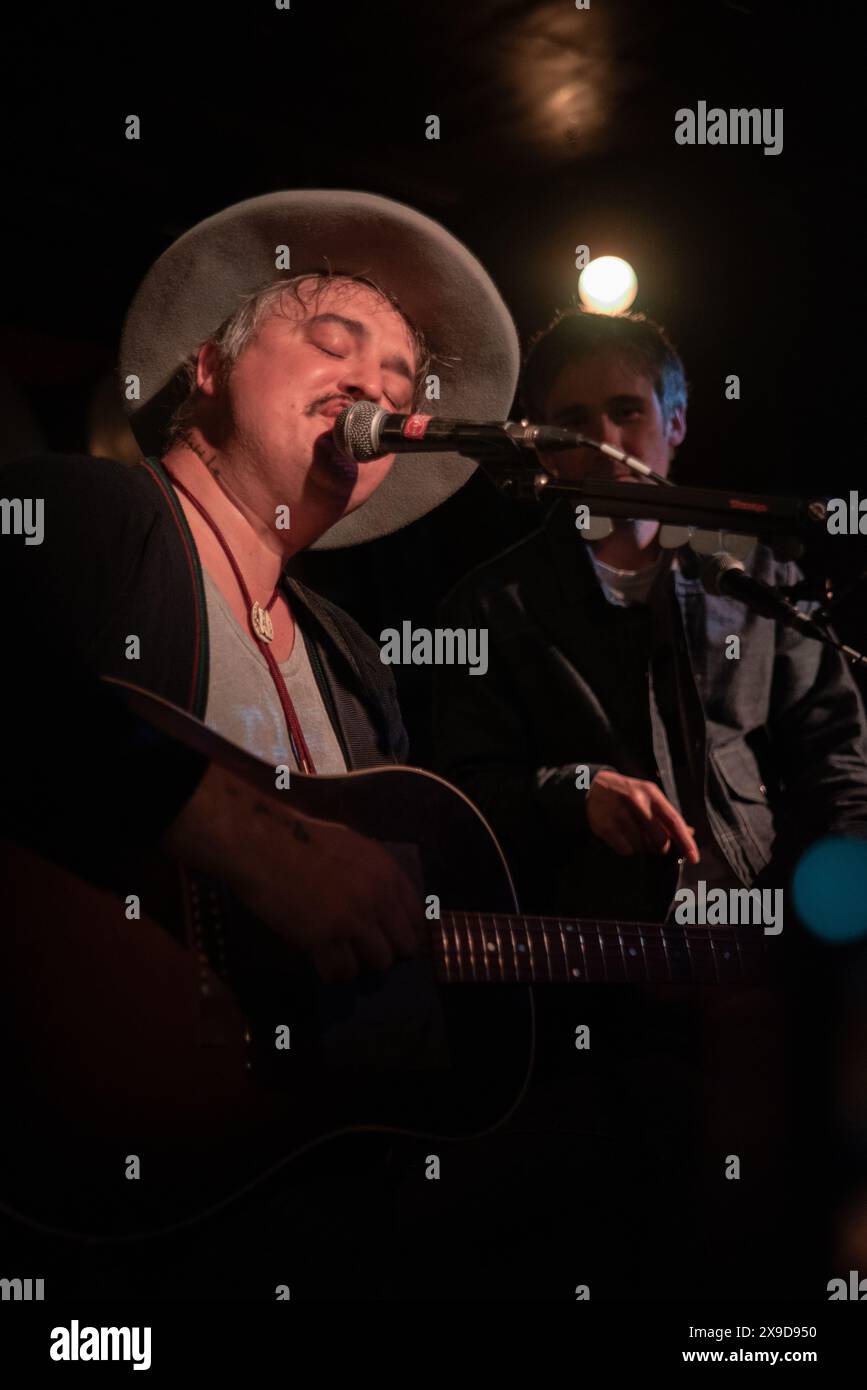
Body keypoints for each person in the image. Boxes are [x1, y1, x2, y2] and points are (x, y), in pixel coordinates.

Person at [0, 188, 520, 1298]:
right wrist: (242, 834)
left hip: (265, 1194)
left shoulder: (352, 662)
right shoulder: (85, 515)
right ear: (205, 368)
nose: (375, 388)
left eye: (400, 382)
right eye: (337, 343)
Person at [432, 307, 867, 1297]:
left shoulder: (761, 571)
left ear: (677, 420)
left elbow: (840, 766)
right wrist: (570, 791)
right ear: (536, 440)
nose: (602, 438)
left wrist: (836, 944)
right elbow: (457, 800)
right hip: (603, 1017)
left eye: (626, 409)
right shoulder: (486, 607)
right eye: (571, 417)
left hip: (767, 992)